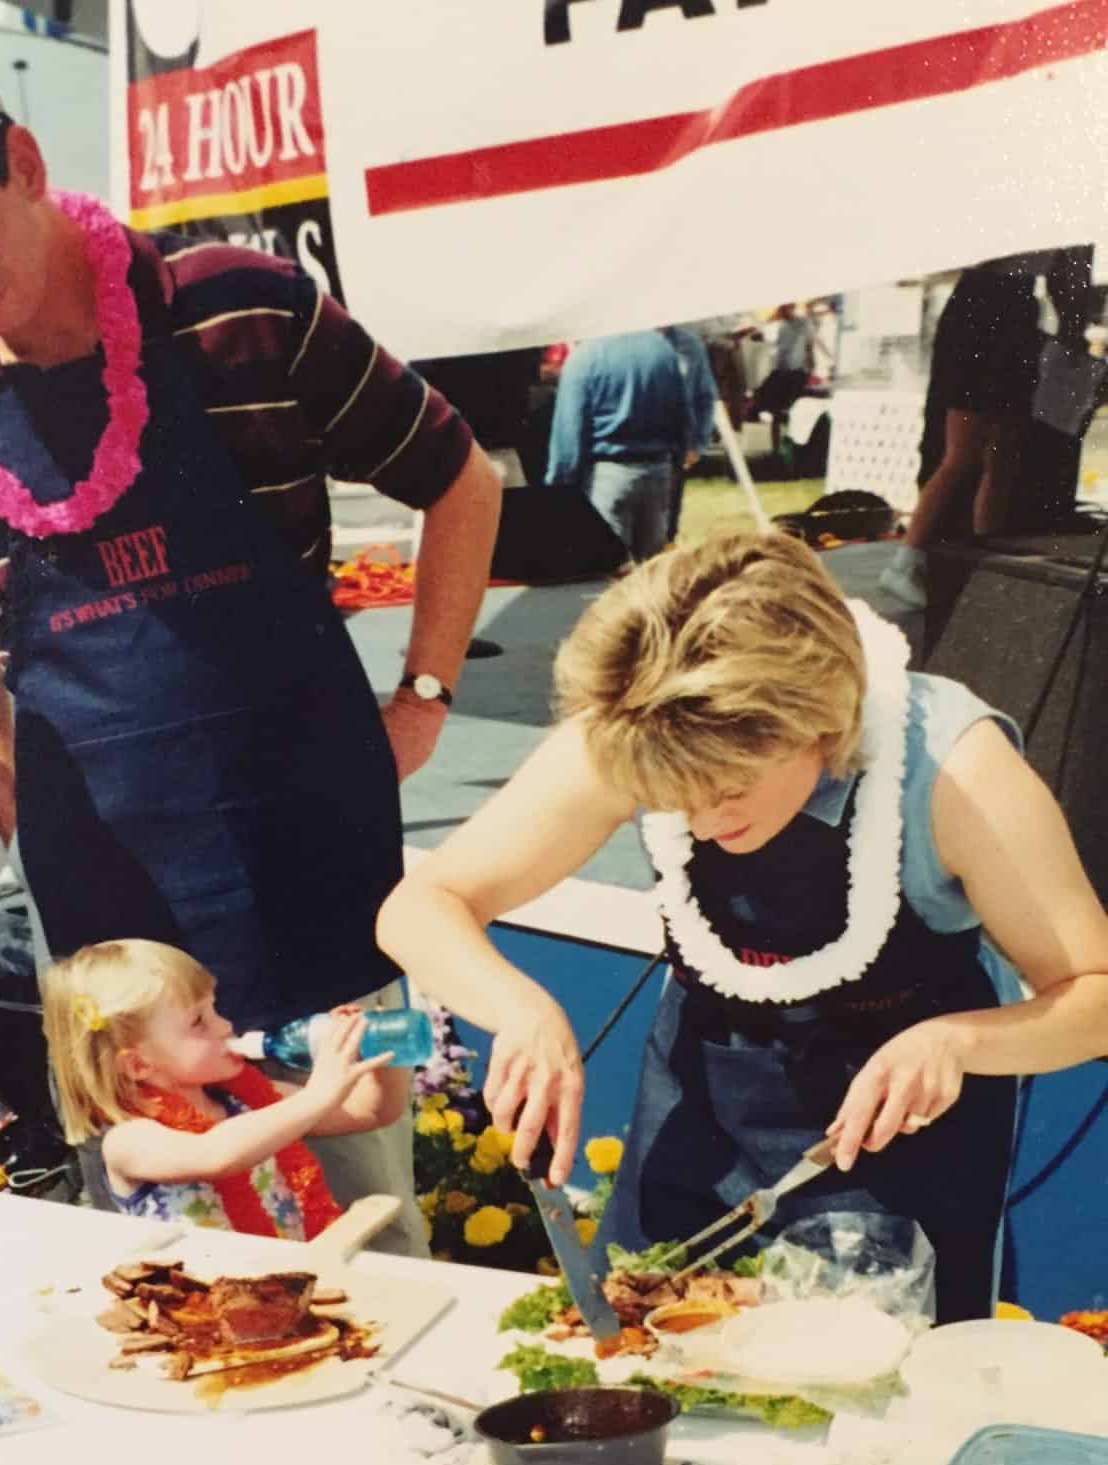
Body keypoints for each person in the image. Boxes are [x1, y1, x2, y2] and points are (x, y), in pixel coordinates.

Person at [0, 31, 501, 1254]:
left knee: (368, 1216)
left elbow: (461, 475)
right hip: (112, 923)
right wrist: (4, 791)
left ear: (24, 160)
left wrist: (425, 695)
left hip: (319, 861)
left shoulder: (239, 307)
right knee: (165, 1256)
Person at [377, 529, 1108, 1324]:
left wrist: (960, 1042)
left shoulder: (953, 768)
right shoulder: (649, 724)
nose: (696, 816)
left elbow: (1095, 992)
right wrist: (522, 1009)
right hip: (706, 1090)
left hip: (905, 1130)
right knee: (644, 1351)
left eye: (726, 789)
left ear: (820, 721)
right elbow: (419, 906)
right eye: (669, 795)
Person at [42, 939, 405, 1238]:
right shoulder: (128, 1140)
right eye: (199, 1022)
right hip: (203, 1312)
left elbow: (371, 1112)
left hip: (288, 1290)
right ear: (138, 1064)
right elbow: (217, 1154)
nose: (225, 1025)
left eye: (214, 1009)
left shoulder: (248, 1099)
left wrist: (385, 1050)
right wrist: (316, 1095)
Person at [880, 249, 1091, 610]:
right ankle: (905, 561)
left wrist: (1072, 336)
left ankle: (988, 553)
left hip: (1018, 310)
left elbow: (1066, 282)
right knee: (963, 453)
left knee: (1005, 452)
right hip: (983, 310)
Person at [545, 329, 693, 562]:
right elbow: (683, 423)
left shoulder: (586, 357)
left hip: (608, 477)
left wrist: (557, 495)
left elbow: (568, 438)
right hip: (658, 472)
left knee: (608, 574)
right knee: (653, 578)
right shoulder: (663, 350)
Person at [661, 324, 718, 539]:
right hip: (631, 447)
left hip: (674, 446)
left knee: (668, 527)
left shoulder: (690, 344)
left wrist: (697, 444)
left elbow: (705, 396)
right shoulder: (623, 341)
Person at [750, 303, 812, 457]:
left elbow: (808, 346)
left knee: (785, 409)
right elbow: (781, 351)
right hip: (784, 370)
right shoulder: (783, 326)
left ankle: (785, 445)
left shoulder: (803, 323)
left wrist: (810, 367)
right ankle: (776, 446)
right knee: (769, 403)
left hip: (796, 372)